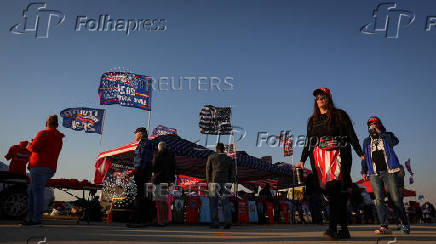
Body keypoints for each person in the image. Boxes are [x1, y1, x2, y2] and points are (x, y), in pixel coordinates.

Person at [296, 88, 364, 240]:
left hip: (338, 156)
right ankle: (344, 230)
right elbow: (309, 141)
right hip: (320, 159)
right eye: (317, 98)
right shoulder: (312, 120)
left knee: (335, 191)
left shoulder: (340, 115)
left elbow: (351, 135)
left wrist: (360, 152)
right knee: (335, 195)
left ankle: (332, 228)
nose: (320, 100)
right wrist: (302, 159)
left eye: (323, 97)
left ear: (329, 99)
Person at [361, 116, 410, 234]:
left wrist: (380, 132)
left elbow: (394, 142)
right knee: (379, 199)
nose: (371, 125)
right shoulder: (366, 141)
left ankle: (404, 223)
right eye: (370, 124)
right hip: (374, 173)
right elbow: (365, 156)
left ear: (379, 124)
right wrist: (364, 170)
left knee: (396, 199)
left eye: (374, 123)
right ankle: (384, 226)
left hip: (389, 171)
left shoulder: (387, 135)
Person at [23, 115, 64, 225]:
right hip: (50, 167)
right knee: (33, 192)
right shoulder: (58, 138)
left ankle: (35, 219)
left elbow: (35, 148)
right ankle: (31, 218)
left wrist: (29, 145)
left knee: (36, 193)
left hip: (39, 166)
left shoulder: (43, 133)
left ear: (47, 124)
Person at [127, 127, 154, 228]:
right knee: (142, 195)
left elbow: (143, 160)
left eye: (136, 133)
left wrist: (137, 171)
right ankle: (143, 219)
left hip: (142, 172)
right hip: (143, 171)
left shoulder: (145, 143)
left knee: (139, 195)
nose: (135, 135)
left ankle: (138, 220)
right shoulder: (145, 143)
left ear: (141, 133)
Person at [206, 142, 236, 229]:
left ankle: (215, 223)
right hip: (226, 182)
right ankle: (227, 221)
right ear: (224, 149)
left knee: (213, 203)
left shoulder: (211, 157)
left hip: (213, 182)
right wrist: (230, 182)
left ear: (216, 148)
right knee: (225, 203)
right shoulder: (229, 159)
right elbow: (232, 173)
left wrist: (208, 183)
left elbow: (208, 171)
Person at [152, 141, 175, 226]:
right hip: (166, 180)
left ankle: (160, 221)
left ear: (159, 147)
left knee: (160, 201)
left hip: (158, 179)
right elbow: (173, 168)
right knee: (164, 202)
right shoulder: (170, 156)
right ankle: (166, 220)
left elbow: (154, 167)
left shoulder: (157, 155)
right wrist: (171, 180)